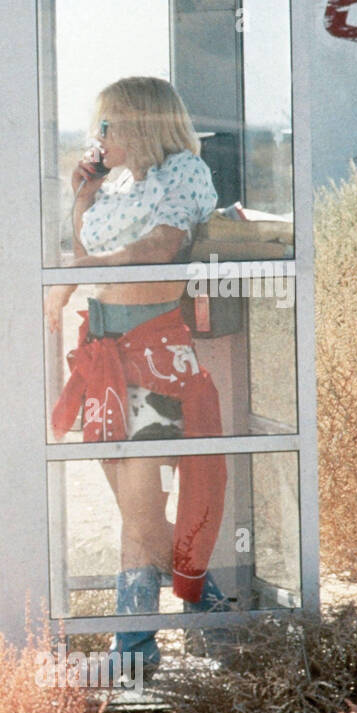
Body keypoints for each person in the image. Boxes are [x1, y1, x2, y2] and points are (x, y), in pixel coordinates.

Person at [45, 76, 227, 677]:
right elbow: (87, 249)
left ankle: (133, 654)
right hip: (103, 353)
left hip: (152, 350)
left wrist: (75, 271)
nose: (97, 138)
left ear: (141, 124)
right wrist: (81, 199)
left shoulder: (184, 172)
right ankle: (214, 616)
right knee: (135, 511)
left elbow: (162, 247)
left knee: (141, 512)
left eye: (107, 125)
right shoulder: (120, 183)